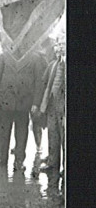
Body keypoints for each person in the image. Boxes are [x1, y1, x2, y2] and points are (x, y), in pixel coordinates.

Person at [0, 45, 46, 172]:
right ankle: (1, 159)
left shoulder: (34, 57)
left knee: (21, 133)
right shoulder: (4, 57)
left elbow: (39, 82)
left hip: (24, 103)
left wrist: (36, 103)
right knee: (4, 132)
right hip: (5, 101)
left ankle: (19, 161)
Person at [37, 34, 65, 175]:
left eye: (63, 45)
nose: (60, 48)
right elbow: (44, 85)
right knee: (52, 135)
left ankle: (66, 168)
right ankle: (53, 164)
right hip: (52, 107)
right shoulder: (53, 65)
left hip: (64, 109)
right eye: (58, 45)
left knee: (65, 138)